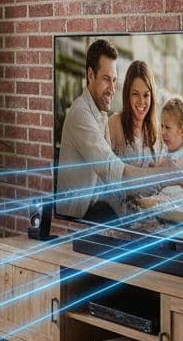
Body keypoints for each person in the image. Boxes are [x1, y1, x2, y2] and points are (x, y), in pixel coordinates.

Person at [57, 40, 175, 221]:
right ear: (90, 75)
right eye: (106, 79)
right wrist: (161, 173)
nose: (112, 89)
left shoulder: (100, 114)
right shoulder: (82, 114)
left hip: (100, 213)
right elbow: (113, 171)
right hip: (77, 221)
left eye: (113, 81)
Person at [108, 60, 162, 168]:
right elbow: (103, 171)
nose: (141, 101)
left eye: (146, 95)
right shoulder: (114, 124)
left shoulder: (156, 129)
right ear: (127, 94)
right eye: (135, 94)